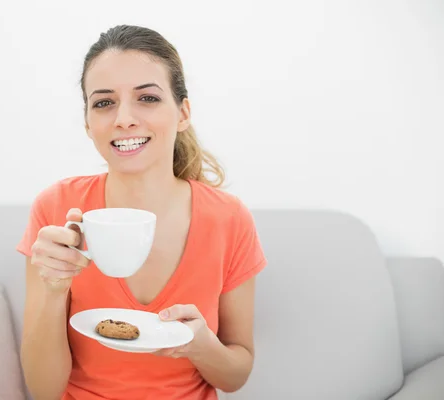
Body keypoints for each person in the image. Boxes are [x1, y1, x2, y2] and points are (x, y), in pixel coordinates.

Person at [16, 24, 267, 400]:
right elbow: (43, 390)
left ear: (183, 113)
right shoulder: (56, 208)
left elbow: (235, 376)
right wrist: (54, 291)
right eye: (103, 102)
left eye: (147, 98)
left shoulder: (229, 219)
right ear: (88, 123)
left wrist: (199, 344)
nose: (124, 119)